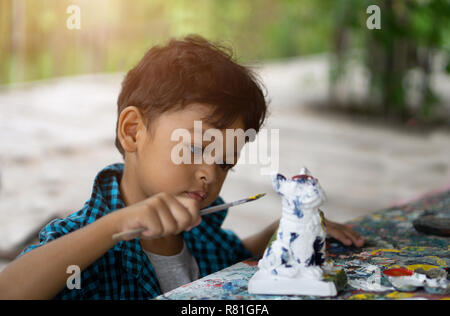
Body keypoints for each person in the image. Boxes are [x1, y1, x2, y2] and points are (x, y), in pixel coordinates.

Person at [0, 35, 364, 299]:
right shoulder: (83, 241)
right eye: (194, 148)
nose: (210, 173)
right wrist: (115, 225)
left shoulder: (201, 231)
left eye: (225, 161)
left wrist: (281, 230)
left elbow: (233, 259)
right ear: (132, 132)